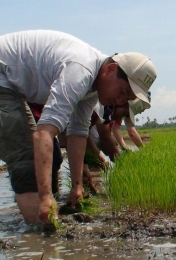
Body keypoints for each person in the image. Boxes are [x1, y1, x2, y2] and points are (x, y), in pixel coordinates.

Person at [0, 30, 157, 224]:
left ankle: (42, 229)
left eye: (127, 99)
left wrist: (76, 186)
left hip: (11, 84)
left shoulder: (91, 89)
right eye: (123, 91)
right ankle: (42, 238)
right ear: (110, 69)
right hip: (2, 76)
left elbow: (77, 133)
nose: (119, 101)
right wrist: (46, 195)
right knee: (26, 158)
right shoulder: (81, 70)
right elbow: (44, 134)